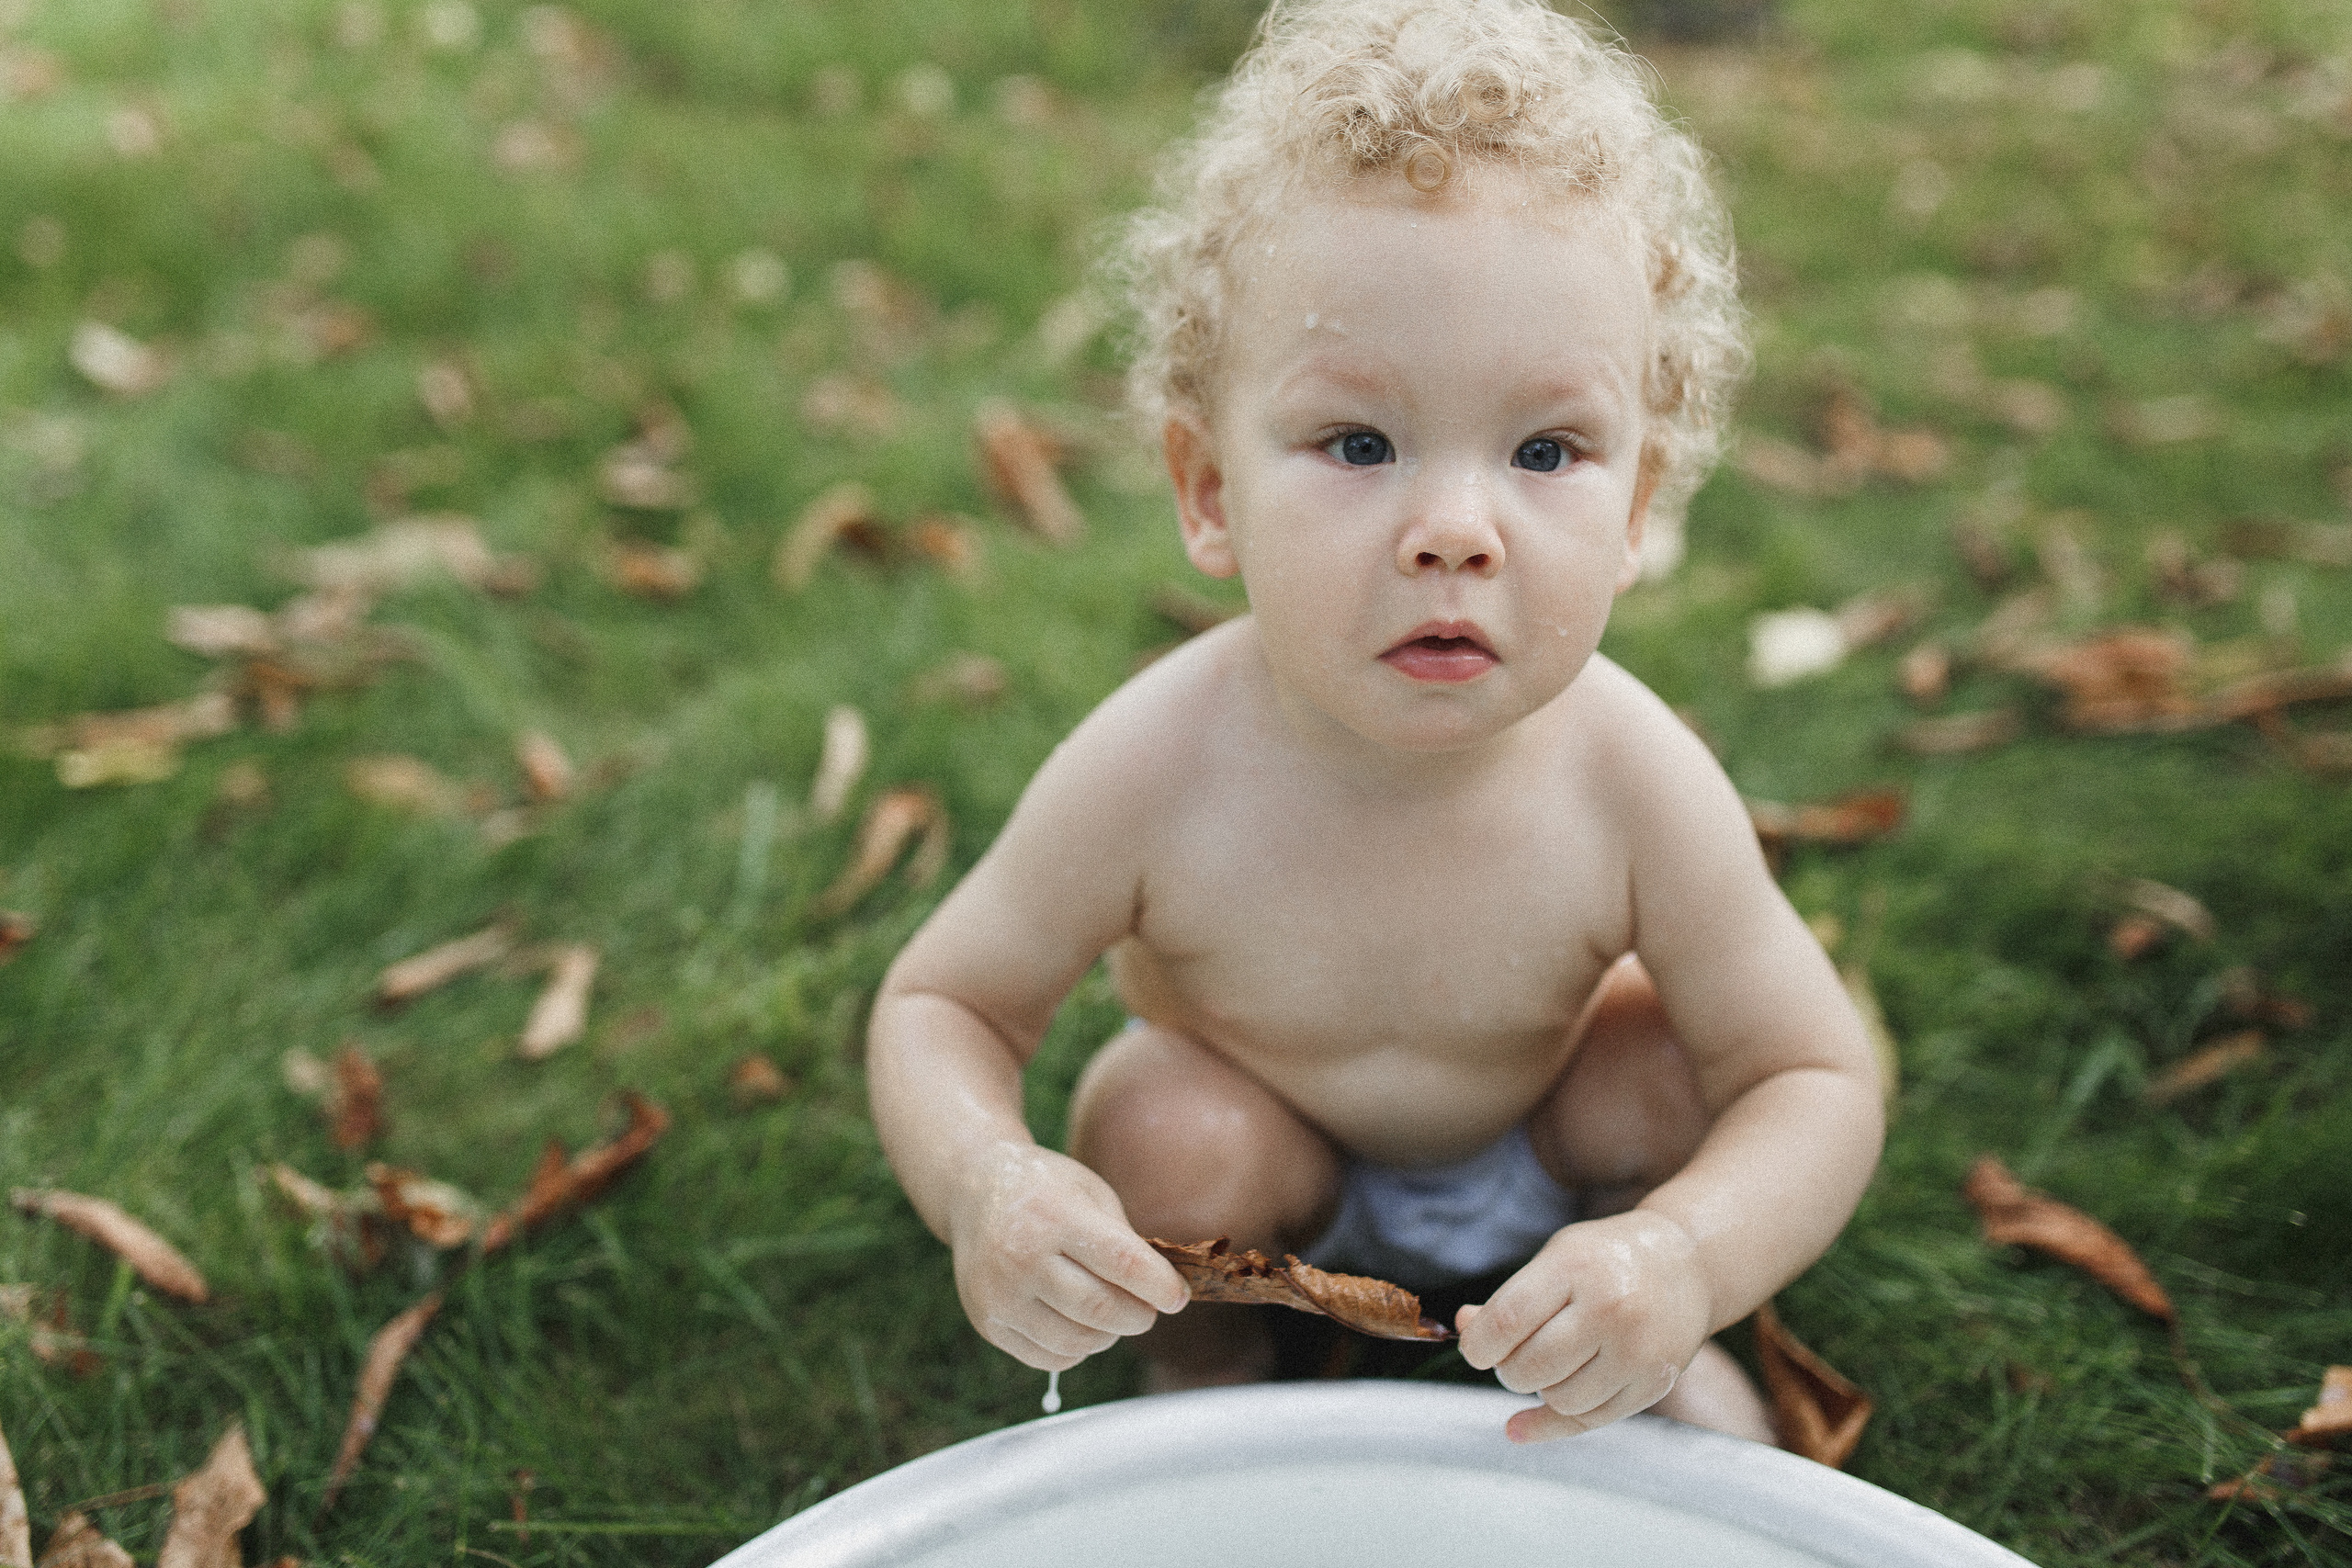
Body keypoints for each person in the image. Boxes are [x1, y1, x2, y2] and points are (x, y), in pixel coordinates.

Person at [866, 0, 1883, 1444]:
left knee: (1678, 1068)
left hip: (1547, 1145)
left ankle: (1621, 1339)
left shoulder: (1629, 773)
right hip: (1268, 1169)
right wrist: (990, 1184)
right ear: (1211, 489)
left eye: (1545, 451)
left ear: (1641, 505)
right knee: (1164, 1124)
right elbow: (941, 1005)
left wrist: (1684, 1253)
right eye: (1360, 444)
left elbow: (1814, 1075)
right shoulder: (1161, 762)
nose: (1455, 531)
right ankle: (1203, 1379)